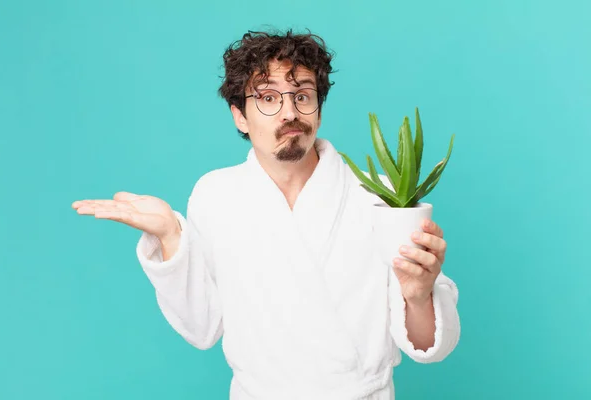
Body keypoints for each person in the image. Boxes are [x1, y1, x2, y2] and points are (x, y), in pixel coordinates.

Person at [72, 29, 460, 400]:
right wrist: (171, 237)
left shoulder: (381, 195)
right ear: (239, 115)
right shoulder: (215, 195)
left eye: (302, 96)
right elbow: (202, 328)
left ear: (319, 111)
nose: (289, 112)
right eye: (268, 98)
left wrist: (419, 294)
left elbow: (428, 346)